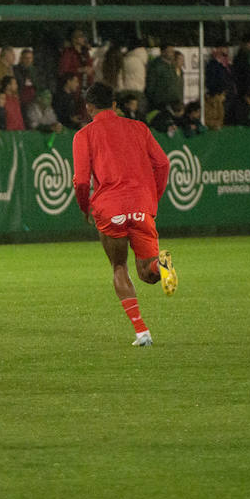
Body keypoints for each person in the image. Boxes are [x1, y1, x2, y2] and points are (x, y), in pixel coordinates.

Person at [72, 83, 176, 347]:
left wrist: (85, 207)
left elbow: (82, 182)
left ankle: (142, 332)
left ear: (89, 107)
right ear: (115, 104)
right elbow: (163, 164)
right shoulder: (139, 128)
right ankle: (161, 265)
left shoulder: (83, 135)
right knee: (147, 273)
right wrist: (153, 198)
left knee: (120, 267)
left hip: (110, 209)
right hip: (142, 206)